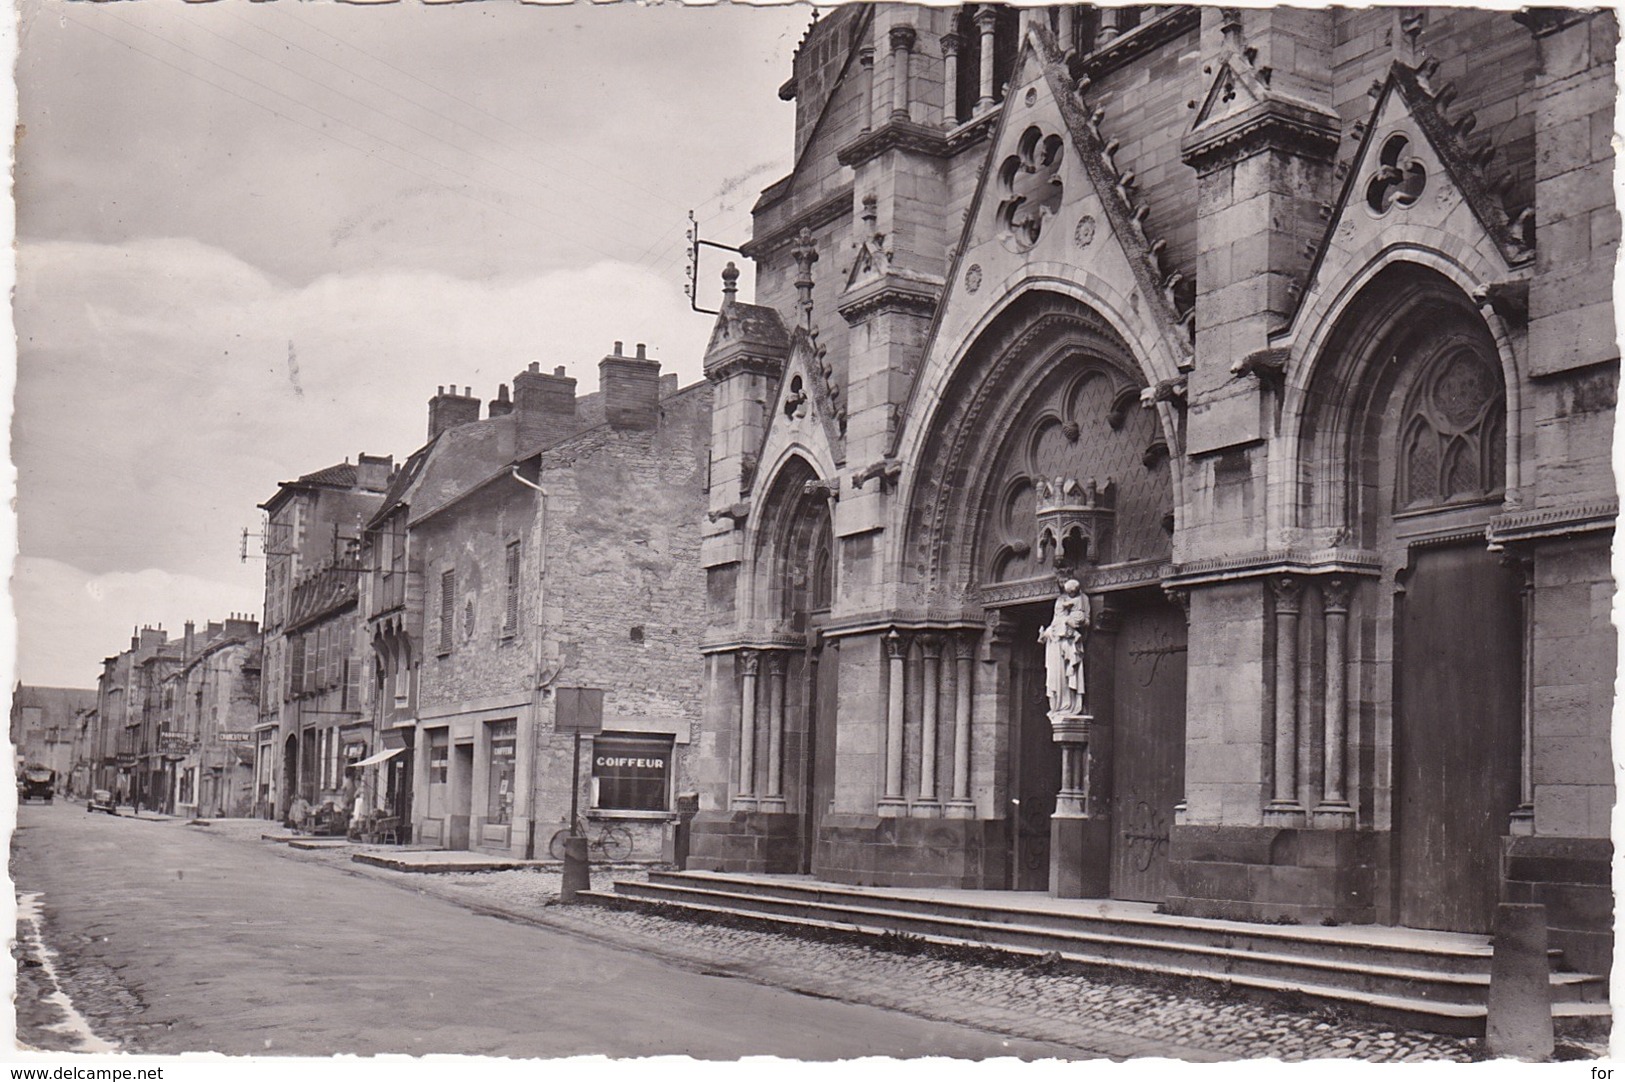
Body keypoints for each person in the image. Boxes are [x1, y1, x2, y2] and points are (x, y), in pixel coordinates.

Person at [1038, 578, 1091, 717]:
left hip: (1070, 644)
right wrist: (1046, 634)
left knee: (1069, 674)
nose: (1070, 595)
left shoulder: (1083, 599)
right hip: (1055, 645)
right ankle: (1057, 706)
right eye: (1068, 593)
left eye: (1073, 593)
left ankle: (1069, 705)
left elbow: (1086, 621)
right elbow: (1056, 621)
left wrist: (1077, 622)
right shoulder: (1060, 601)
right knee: (1055, 677)